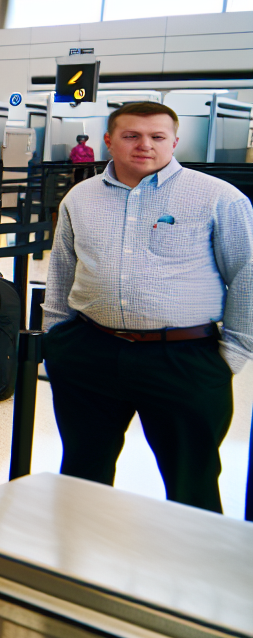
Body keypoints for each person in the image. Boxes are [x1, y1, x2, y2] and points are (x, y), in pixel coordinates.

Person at [43, 101, 251, 513]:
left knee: (191, 482)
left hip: (183, 359)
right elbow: (62, 268)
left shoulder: (217, 198)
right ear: (109, 140)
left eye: (157, 137)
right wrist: (56, 338)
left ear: (174, 141)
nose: (145, 145)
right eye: (131, 135)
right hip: (89, 352)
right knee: (83, 470)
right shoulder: (80, 198)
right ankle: (76, 563)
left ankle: (191, 573)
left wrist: (236, 352)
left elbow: (246, 274)